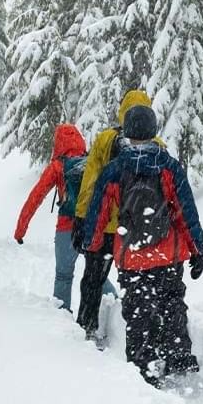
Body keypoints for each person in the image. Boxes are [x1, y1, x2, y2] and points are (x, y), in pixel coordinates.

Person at [82, 105, 203, 386]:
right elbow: (187, 211)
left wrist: (92, 243)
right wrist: (197, 248)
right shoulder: (169, 167)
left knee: (138, 312)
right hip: (168, 254)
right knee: (172, 303)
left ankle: (144, 366)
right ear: (154, 130)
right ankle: (178, 356)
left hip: (132, 256)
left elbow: (98, 212)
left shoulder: (115, 170)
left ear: (126, 132)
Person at [72, 90, 164, 341]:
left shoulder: (104, 139)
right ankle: (144, 337)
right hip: (137, 230)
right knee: (140, 284)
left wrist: (81, 219)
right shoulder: (158, 146)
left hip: (104, 227)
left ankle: (86, 327)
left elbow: (90, 183)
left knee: (92, 278)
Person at [13, 124, 111, 311]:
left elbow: (35, 197)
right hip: (92, 227)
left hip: (66, 228)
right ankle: (112, 310)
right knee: (97, 274)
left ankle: (63, 323)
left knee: (64, 276)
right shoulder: (91, 161)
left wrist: (20, 230)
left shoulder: (58, 166)